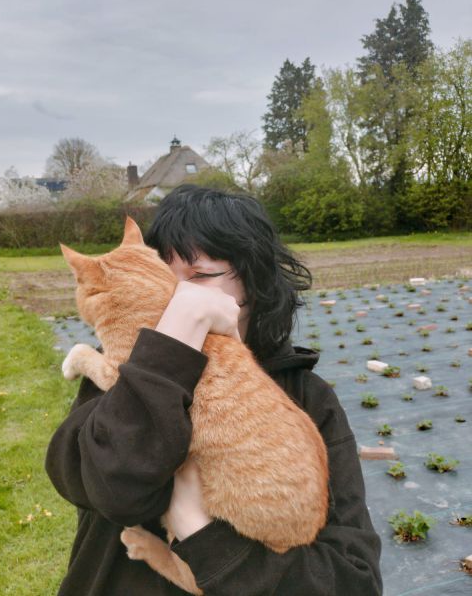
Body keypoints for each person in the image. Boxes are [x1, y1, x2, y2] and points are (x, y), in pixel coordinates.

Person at [45, 184, 383, 595]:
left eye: (200, 276)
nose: (175, 299)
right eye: (160, 277)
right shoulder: (128, 369)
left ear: (253, 283)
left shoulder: (307, 397)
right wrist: (172, 343)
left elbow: (355, 582)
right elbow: (106, 487)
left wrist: (203, 537)